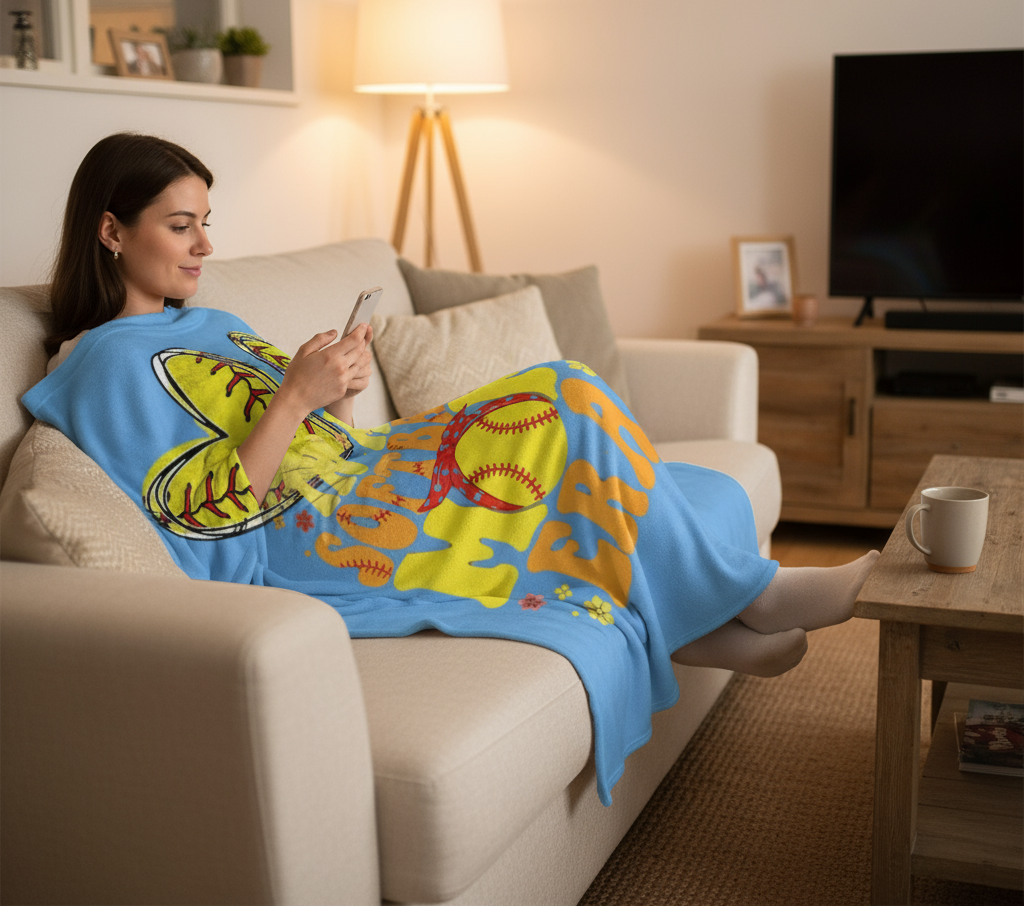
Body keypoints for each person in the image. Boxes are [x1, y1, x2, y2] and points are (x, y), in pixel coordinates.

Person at [27, 132, 878, 805]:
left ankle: (712, 613)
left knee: (566, 399)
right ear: (111, 231)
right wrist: (292, 400)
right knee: (567, 397)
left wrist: (338, 393)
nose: (204, 244)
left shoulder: (205, 322)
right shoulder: (98, 366)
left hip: (356, 472)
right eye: (182, 226)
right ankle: (743, 600)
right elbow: (204, 523)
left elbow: (317, 441)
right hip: (302, 538)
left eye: (207, 222)